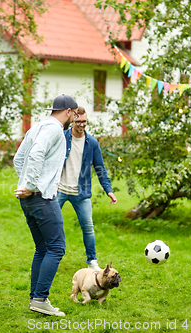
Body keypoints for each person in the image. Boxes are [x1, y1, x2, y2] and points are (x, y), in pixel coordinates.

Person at [13, 94, 78, 317]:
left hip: (28, 199)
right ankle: (40, 298)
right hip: (41, 197)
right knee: (57, 247)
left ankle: (36, 298)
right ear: (68, 111)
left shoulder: (36, 127)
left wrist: (24, 185)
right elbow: (36, 153)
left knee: (42, 248)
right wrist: (31, 185)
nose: (74, 119)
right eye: (74, 114)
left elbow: (18, 159)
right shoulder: (54, 129)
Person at [57, 106, 117, 271]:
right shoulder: (62, 137)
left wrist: (108, 190)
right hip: (59, 189)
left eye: (84, 121)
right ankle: (49, 255)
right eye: (78, 121)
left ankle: (92, 260)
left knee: (88, 226)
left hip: (81, 193)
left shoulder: (92, 143)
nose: (81, 125)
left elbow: (100, 169)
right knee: (51, 224)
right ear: (72, 121)